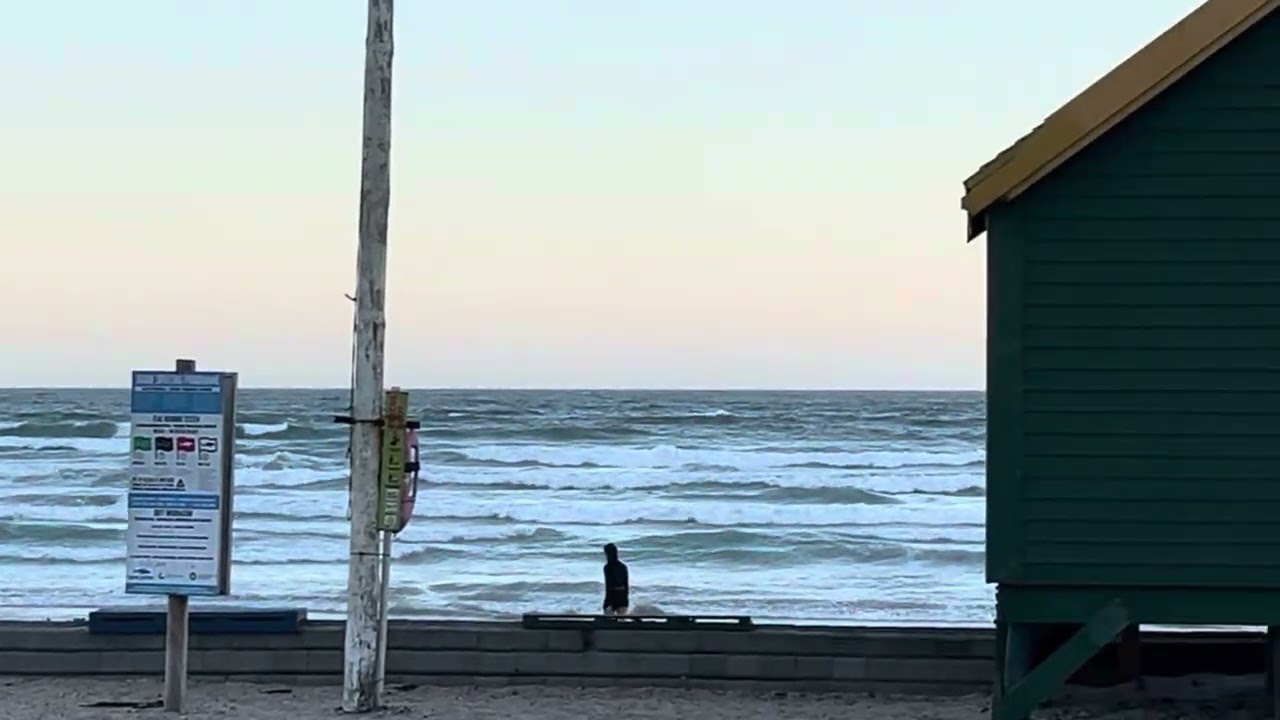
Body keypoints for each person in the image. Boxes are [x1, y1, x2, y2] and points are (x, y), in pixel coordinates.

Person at [601, 543, 629, 616]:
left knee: (608, 622)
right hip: (622, 597)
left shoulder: (607, 568)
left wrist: (607, 602)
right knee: (622, 622)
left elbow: (608, 586)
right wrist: (626, 599)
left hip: (612, 597)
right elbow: (626, 585)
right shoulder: (623, 566)